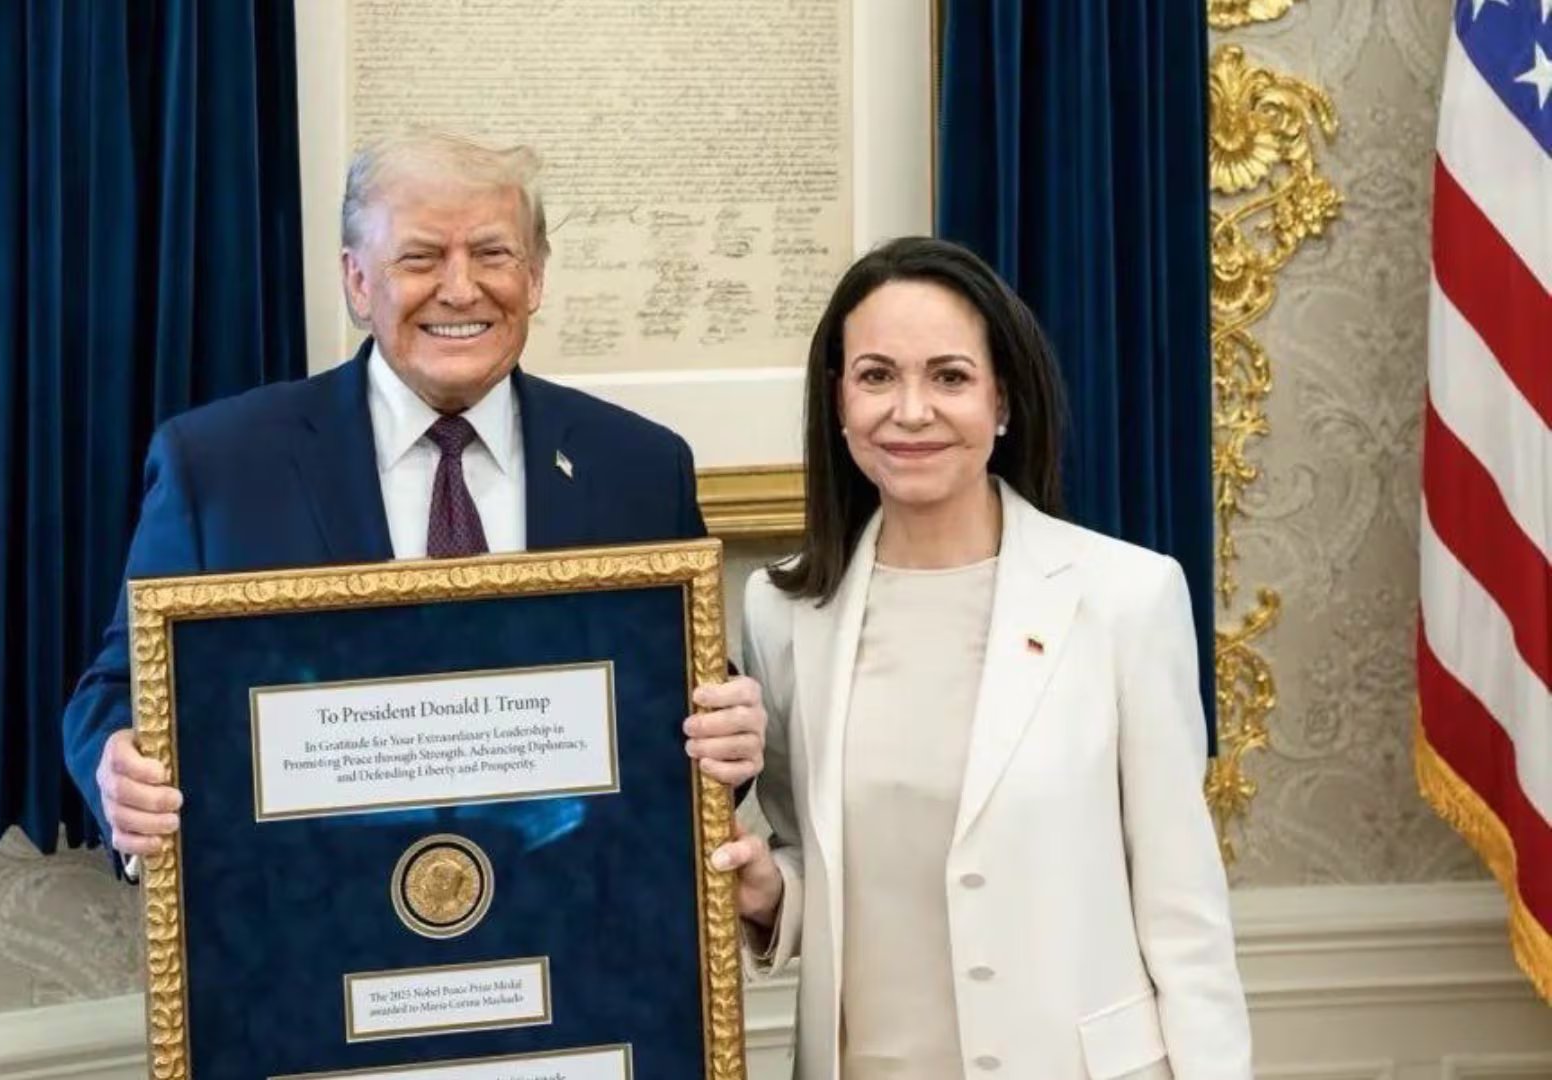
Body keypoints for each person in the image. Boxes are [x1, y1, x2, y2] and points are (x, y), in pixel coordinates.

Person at [62, 132, 766, 866]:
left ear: (536, 278)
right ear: (359, 282)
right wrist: (119, 768)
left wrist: (732, 737)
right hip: (308, 928)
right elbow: (118, 689)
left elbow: (685, 699)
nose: (461, 289)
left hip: (572, 922)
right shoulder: (219, 467)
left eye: (493, 254)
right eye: (421, 258)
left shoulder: (640, 468)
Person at [711, 237, 1250, 1078]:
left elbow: (1185, 912)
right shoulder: (781, 612)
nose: (911, 411)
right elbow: (813, 856)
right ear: (839, 402)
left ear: (1003, 402)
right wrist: (769, 894)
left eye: (950, 377)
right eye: (877, 376)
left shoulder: (1125, 597)